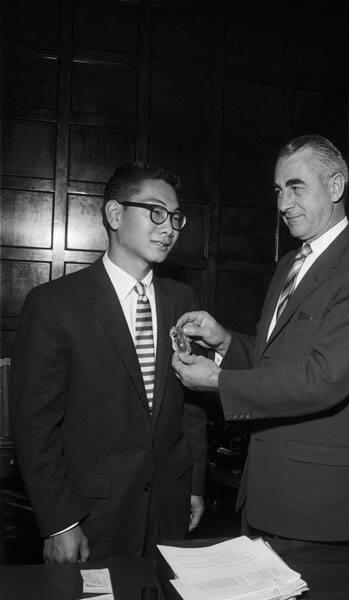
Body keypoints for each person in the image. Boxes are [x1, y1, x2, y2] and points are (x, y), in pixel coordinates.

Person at [172, 134, 349, 550]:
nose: (282, 205)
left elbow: (323, 380)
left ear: (335, 187)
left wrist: (217, 382)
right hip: (262, 493)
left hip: (317, 505)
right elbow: (269, 360)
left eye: (296, 188)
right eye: (279, 191)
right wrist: (224, 341)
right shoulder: (288, 265)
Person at [11, 162, 207, 563]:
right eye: (155, 212)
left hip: (168, 509)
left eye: (175, 217)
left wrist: (194, 484)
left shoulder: (181, 299)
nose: (169, 227)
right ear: (115, 214)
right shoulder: (54, 305)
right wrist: (59, 522)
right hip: (92, 516)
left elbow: (191, 406)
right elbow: (35, 426)